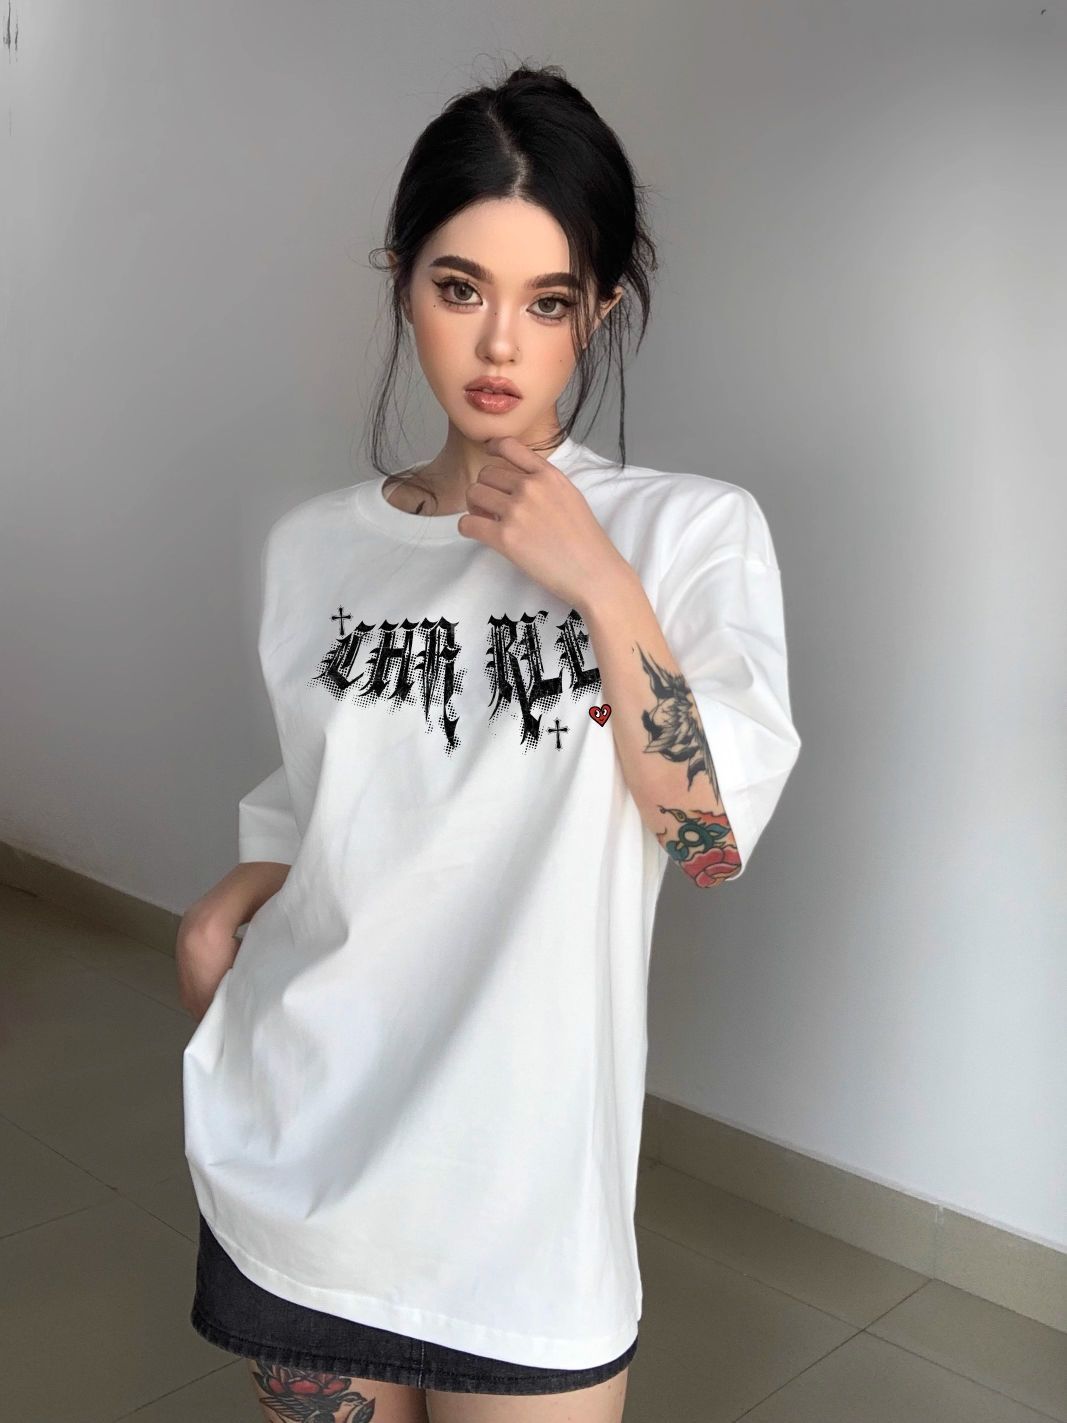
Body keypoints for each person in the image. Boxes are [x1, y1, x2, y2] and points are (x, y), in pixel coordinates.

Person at [177, 59, 801, 1423]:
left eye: (549, 301)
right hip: (308, 1163)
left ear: (601, 310)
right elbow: (333, 817)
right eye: (461, 289)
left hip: (524, 1209)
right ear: (404, 283)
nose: (501, 345)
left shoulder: (689, 536)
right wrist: (224, 921)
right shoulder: (314, 549)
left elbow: (708, 840)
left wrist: (603, 585)